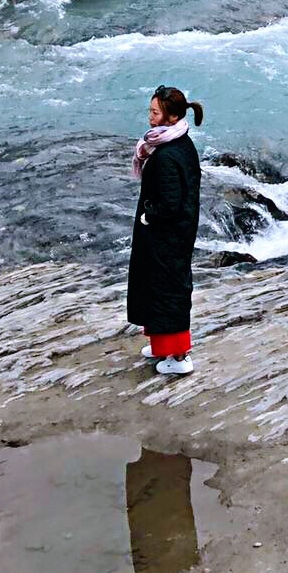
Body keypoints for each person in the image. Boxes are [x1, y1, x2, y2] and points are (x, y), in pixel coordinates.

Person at [127, 84, 204, 378]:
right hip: (169, 234)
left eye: (155, 112)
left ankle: (179, 356)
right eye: (150, 110)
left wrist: (149, 215)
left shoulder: (168, 155)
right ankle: (160, 344)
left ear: (171, 118)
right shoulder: (177, 143)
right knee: (154, 287)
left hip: (168, 236)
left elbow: (171, 204)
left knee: (168, 289)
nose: (150, 116)